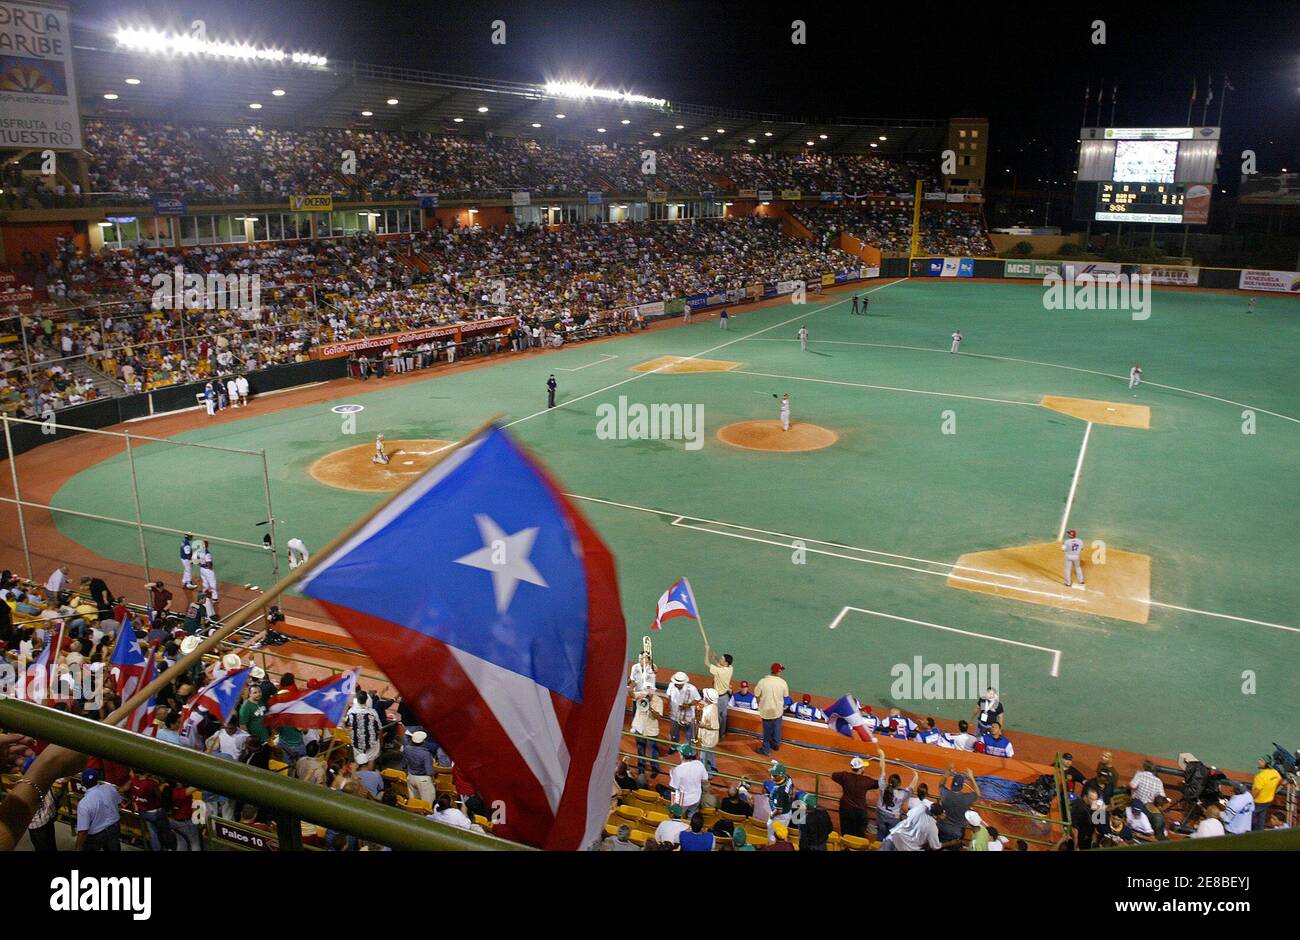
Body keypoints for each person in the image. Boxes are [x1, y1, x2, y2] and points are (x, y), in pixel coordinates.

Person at [75, 768, 122, 851]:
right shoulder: (109, 788)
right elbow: (118, 800)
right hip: (114, 828)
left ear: (82, 783)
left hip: (96, 835)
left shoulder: (84, 804)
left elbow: (83, 831)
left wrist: (78, 847)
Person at [831, 755, 878, 838]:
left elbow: (834, 775)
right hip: (860, 811)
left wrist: (845, 775)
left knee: (845, 833)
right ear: (860, 768)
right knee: (859, 835)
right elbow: (877, 784)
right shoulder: (866, 780)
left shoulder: (845, 776)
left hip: (845, 809)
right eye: (863, 767)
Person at [937, 766, 981, 849]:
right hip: (958, 832)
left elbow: (941, 785)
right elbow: (978, 794)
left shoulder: (945, 794)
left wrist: (947, 773)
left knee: (939, 846)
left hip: (943, 827)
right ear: (962, 786)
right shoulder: (966, 798)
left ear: (952, 784)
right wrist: (971, 778)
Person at [753, 662, 789, 755]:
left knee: (767, 731)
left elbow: (756, 694)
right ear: (779, 672)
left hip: (766, 710)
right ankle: (776, 744)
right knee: (777, 728)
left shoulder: (763, 681)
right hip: (777, 711)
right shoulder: (783, 682)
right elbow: (786, 696)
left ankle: (766, 749)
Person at [629, 682, 663, 777]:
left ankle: (655, 768)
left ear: (653, 691)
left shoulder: (658, 700)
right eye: (646, 690)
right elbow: (631, 695)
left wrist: (650, 708)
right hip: (640, 728)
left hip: (652, 730)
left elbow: (658, 716)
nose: (648, 693)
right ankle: (641, 769)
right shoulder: (641, 695)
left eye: (650, 690)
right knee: (640, 749)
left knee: (654, 751)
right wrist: (630, 688)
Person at [668, 745, 709, 818]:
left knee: (679, 818)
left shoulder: (677, 770)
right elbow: (705, 779)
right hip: (696, 798)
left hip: (684, 801)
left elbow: (673, 787)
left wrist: (672, 774)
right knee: (691, 817)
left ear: (681, 756)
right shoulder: (699, 764)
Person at [665, 671, 700, 744]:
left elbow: (698, 699)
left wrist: (688, 705)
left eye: (679, 684)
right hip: (674, 714)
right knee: (674, 733)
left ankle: (689, 751)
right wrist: (669, 706)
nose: (676, 684)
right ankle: (673, 747)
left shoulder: (692, 689)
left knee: (689, 735)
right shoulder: (671, 685)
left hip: (688, 716)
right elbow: (669, 696)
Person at [705, 648, 732, 736]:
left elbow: (706, 663)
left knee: (717, 717)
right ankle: (722, 733)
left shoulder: (720, 671)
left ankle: (716, 735)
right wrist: (715, 658)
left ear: (726, 663)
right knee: (723, 716)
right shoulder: (730, 668)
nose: (720, 660)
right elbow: (721, 665)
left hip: (719, 698)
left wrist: (707, 651)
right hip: (725, 697)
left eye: (721, 659)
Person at [1251, 756, 1281, 830]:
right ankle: (1260, 832)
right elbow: (1280, 781)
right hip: (1268, 801)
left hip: (1258, 802)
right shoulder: (1275, 773)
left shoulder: (1260, 776)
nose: (1258, 761)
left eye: (1261, 761)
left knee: (1252, 818)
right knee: (1261, 818)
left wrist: (1250, 799)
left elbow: (1256, 791)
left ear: (1266, 764)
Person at [697, 690, 720, 772]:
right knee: (710, 754)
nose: (704, 696)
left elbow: (714, 726)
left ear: (708, 698)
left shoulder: (712, 710)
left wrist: (702, 725)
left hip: (709, 738)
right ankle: (712, 768)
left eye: (705, 695)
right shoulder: (709, 706)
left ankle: (707, 773)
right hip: (707, 736)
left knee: (704, 756)